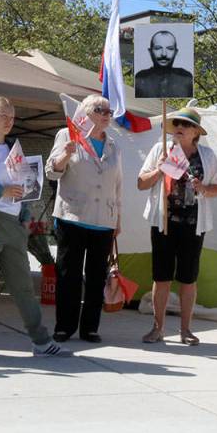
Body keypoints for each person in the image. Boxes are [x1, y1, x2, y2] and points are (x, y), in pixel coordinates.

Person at [0, 97, 69, 359]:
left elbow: (25, 190)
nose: (9, 121)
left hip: (14, 224)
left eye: (12, 117)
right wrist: (1, 190)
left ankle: (41, 341)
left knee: (22, 285)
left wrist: (25, 215)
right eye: (4, 116)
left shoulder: (14, 150)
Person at [137, 107, 217, 345]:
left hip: (194, 224)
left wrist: (204, 189)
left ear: (196, 131)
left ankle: (186, 330)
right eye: (177, 123)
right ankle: (158, 328)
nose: (179, 127)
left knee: (188, 278)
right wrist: (160, 168)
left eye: (186, 124)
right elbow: (141, 183)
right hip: (164, 222)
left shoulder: (206, 156)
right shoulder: (161, 150)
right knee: (162, 277)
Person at [46, 95, 122, 343]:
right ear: (86, 112)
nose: (107, 115)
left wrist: (117, 218)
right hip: (73, 216)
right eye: (101, 110)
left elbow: (117, 184)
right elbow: (52, 171)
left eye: (109, 111)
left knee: (97, 276)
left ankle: (90, 327)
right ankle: (64, 326)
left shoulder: (113, 145)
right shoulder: (67, 135)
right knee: (69, 275)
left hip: (104, 219)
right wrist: (66, 155)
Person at [134, 30, 194, 99]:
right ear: (150, 51)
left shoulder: (186, 78)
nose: (164, 54)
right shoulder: (140, 78)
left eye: (170, 49)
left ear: (176, 52)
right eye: (158, 48)